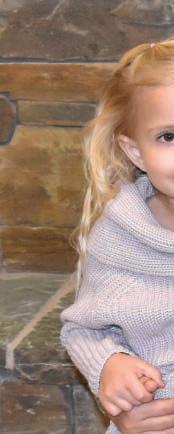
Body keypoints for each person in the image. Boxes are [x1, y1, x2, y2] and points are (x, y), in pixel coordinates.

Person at [59, 37, 174, 434]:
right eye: (170, 136)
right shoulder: (119, 237)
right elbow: (85, 328)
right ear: (135, 151)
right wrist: (110, 365)